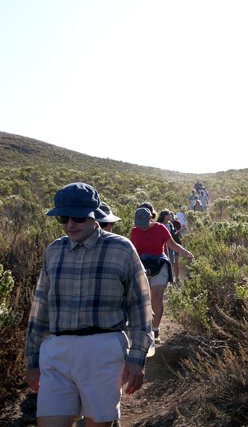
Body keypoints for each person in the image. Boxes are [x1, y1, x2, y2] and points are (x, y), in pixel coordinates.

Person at [25, 182, 152, 427]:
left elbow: (140, 306)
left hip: (102, 349)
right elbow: (40, 309)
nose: (70, 224)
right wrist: (32, 361)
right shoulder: (54, 250)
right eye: (63, 218)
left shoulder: (121, 248)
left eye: (78, 218)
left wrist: (137, 359)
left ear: (94, 216)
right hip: (56, 350)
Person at [130, 207, 193, 342]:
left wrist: (184, 252)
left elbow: (172, 244)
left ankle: (155, 329)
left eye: (145, 224)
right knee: (143, 299)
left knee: (157, 296)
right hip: (142, 267)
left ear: (151, 219)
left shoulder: (160, 228)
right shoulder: (134, 232)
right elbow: (132, 251)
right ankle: (144, 328)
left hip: (159, 265)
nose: (142, 227)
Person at [155, 210, 181, 283]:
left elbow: (172, 235)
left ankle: (170, 279)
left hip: (170, 245)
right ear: (165, 216)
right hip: (162, 246)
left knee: (172, 262)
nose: (170, 216)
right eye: (169, 214)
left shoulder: (170, 225)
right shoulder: (159, 225)